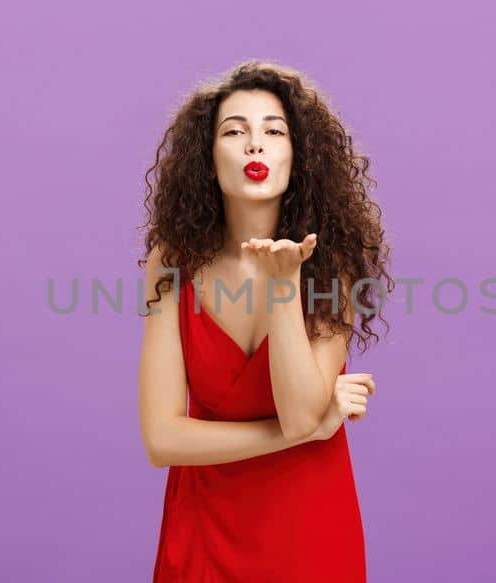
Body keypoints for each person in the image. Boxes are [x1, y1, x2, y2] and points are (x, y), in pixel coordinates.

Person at [136, 60, 393, 582]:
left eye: (274, 131)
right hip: (204, 527)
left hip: (308, 527)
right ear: (208, 161)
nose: (255, 145)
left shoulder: (332, 265)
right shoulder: (173, 261)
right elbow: (161, 440)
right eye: (235, 131)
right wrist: (305, 433)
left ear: (297, 158)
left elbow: (299, 413)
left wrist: (283, 284)